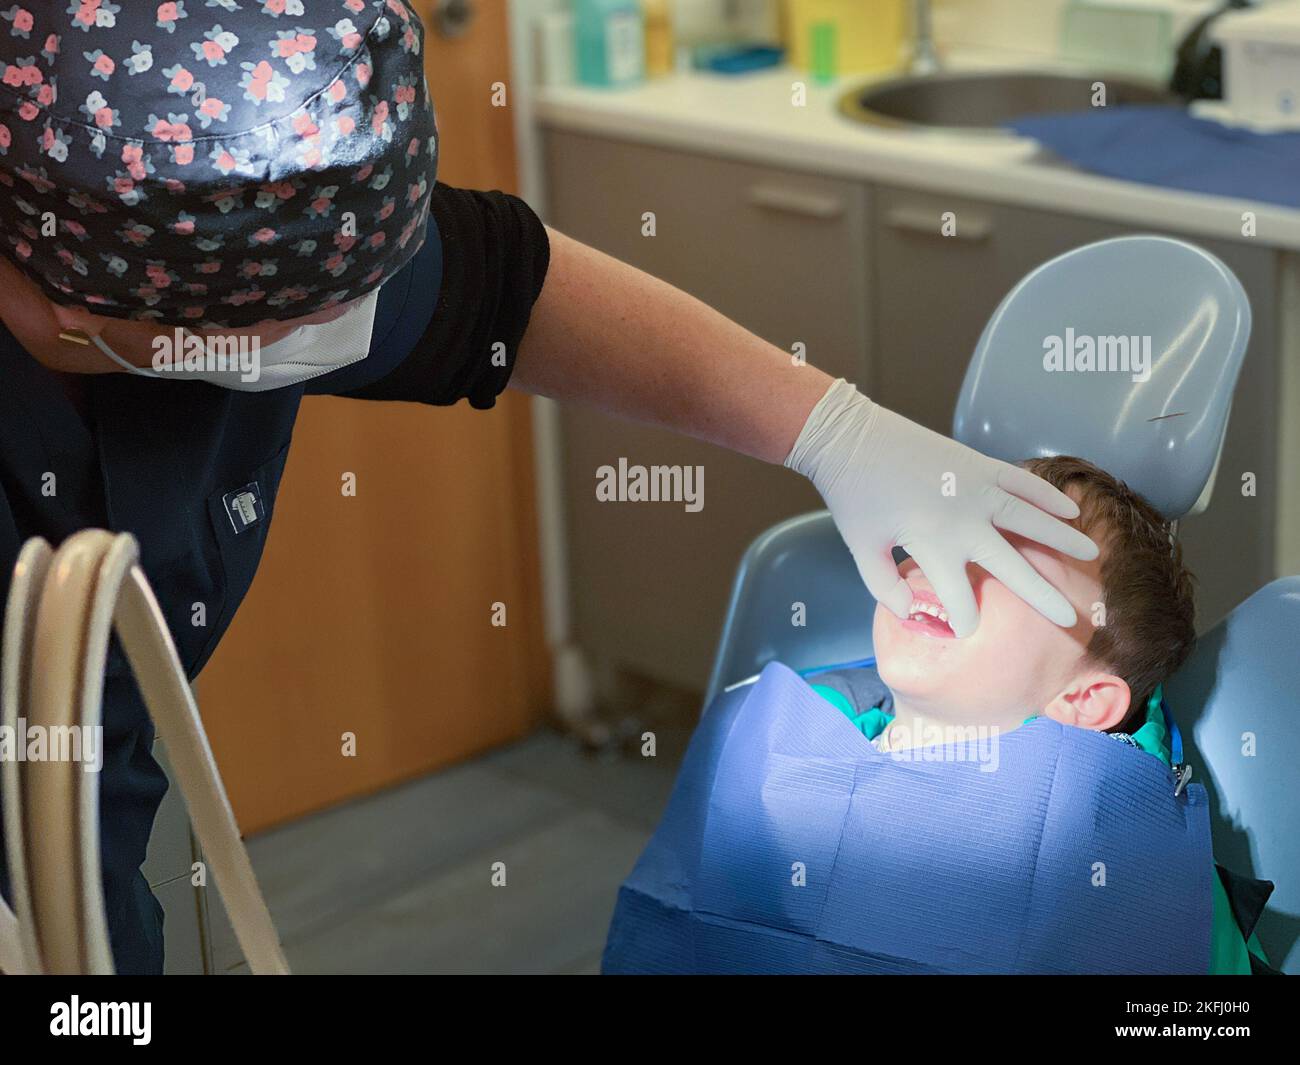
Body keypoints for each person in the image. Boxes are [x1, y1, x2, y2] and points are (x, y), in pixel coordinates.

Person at [0, 1, 1094, 971]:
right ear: (68, 309)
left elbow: (498, 295)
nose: (340, 340)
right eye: (280, 331)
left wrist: (835, 432)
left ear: (1098, 703)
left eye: (351, 303)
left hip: (94, 856)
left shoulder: (234, 241)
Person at [809, 455, 1273, 974]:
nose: (949, 564)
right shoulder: (801, 731)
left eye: (1015, 566)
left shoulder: (1125, 863)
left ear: (1082, 700)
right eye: (953, 532)